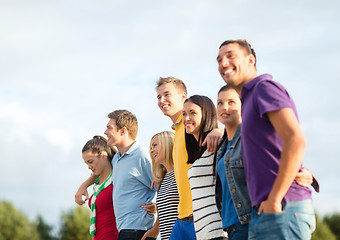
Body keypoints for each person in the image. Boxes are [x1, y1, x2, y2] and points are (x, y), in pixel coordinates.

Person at [217, 39, 316, 239]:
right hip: (264, 211)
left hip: (283, 207)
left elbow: (296, 140)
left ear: (250, 60)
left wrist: (275, 199)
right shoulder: (249, 100)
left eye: (230, 56)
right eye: (219, 59)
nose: (223, 63)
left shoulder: (264, 88)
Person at [156, 77, 223, 240]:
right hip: (181, 216)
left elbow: (214, 133)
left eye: (166, 94)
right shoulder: (179, 131)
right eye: (158, 97)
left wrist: (218, 131)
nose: (162, 100)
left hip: (201, 216)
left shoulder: (194, 126)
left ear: (183, 96)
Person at [75, 110, 156, 240]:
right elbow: (100, 171)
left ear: (123, 131)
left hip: (138, 230)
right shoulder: (117, 159)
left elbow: (163, 185)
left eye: (109, 128)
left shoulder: (141, 155)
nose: (105, 132)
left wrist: (156, 212)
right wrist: (83, 186)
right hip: (125, 230)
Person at [183, 95, 226, 240]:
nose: (186, 118)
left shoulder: (216, 146)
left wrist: (220, 132)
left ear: (206, 114)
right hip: (203, 234)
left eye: (192, 113)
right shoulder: (200, 154)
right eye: (184, 113)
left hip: (219, 231)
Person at [141, 131, 179, 240]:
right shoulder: (162, 180)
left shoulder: (181, 174)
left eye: (155, 145)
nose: (151, 150)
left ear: (167, 144)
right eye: (151, 147)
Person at [82, 135, 119, 240]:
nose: (89, 166)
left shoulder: (117, 179)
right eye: (86, 163)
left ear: (103, 155)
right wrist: (83, 186)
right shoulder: (98, 185)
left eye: (90, 161)